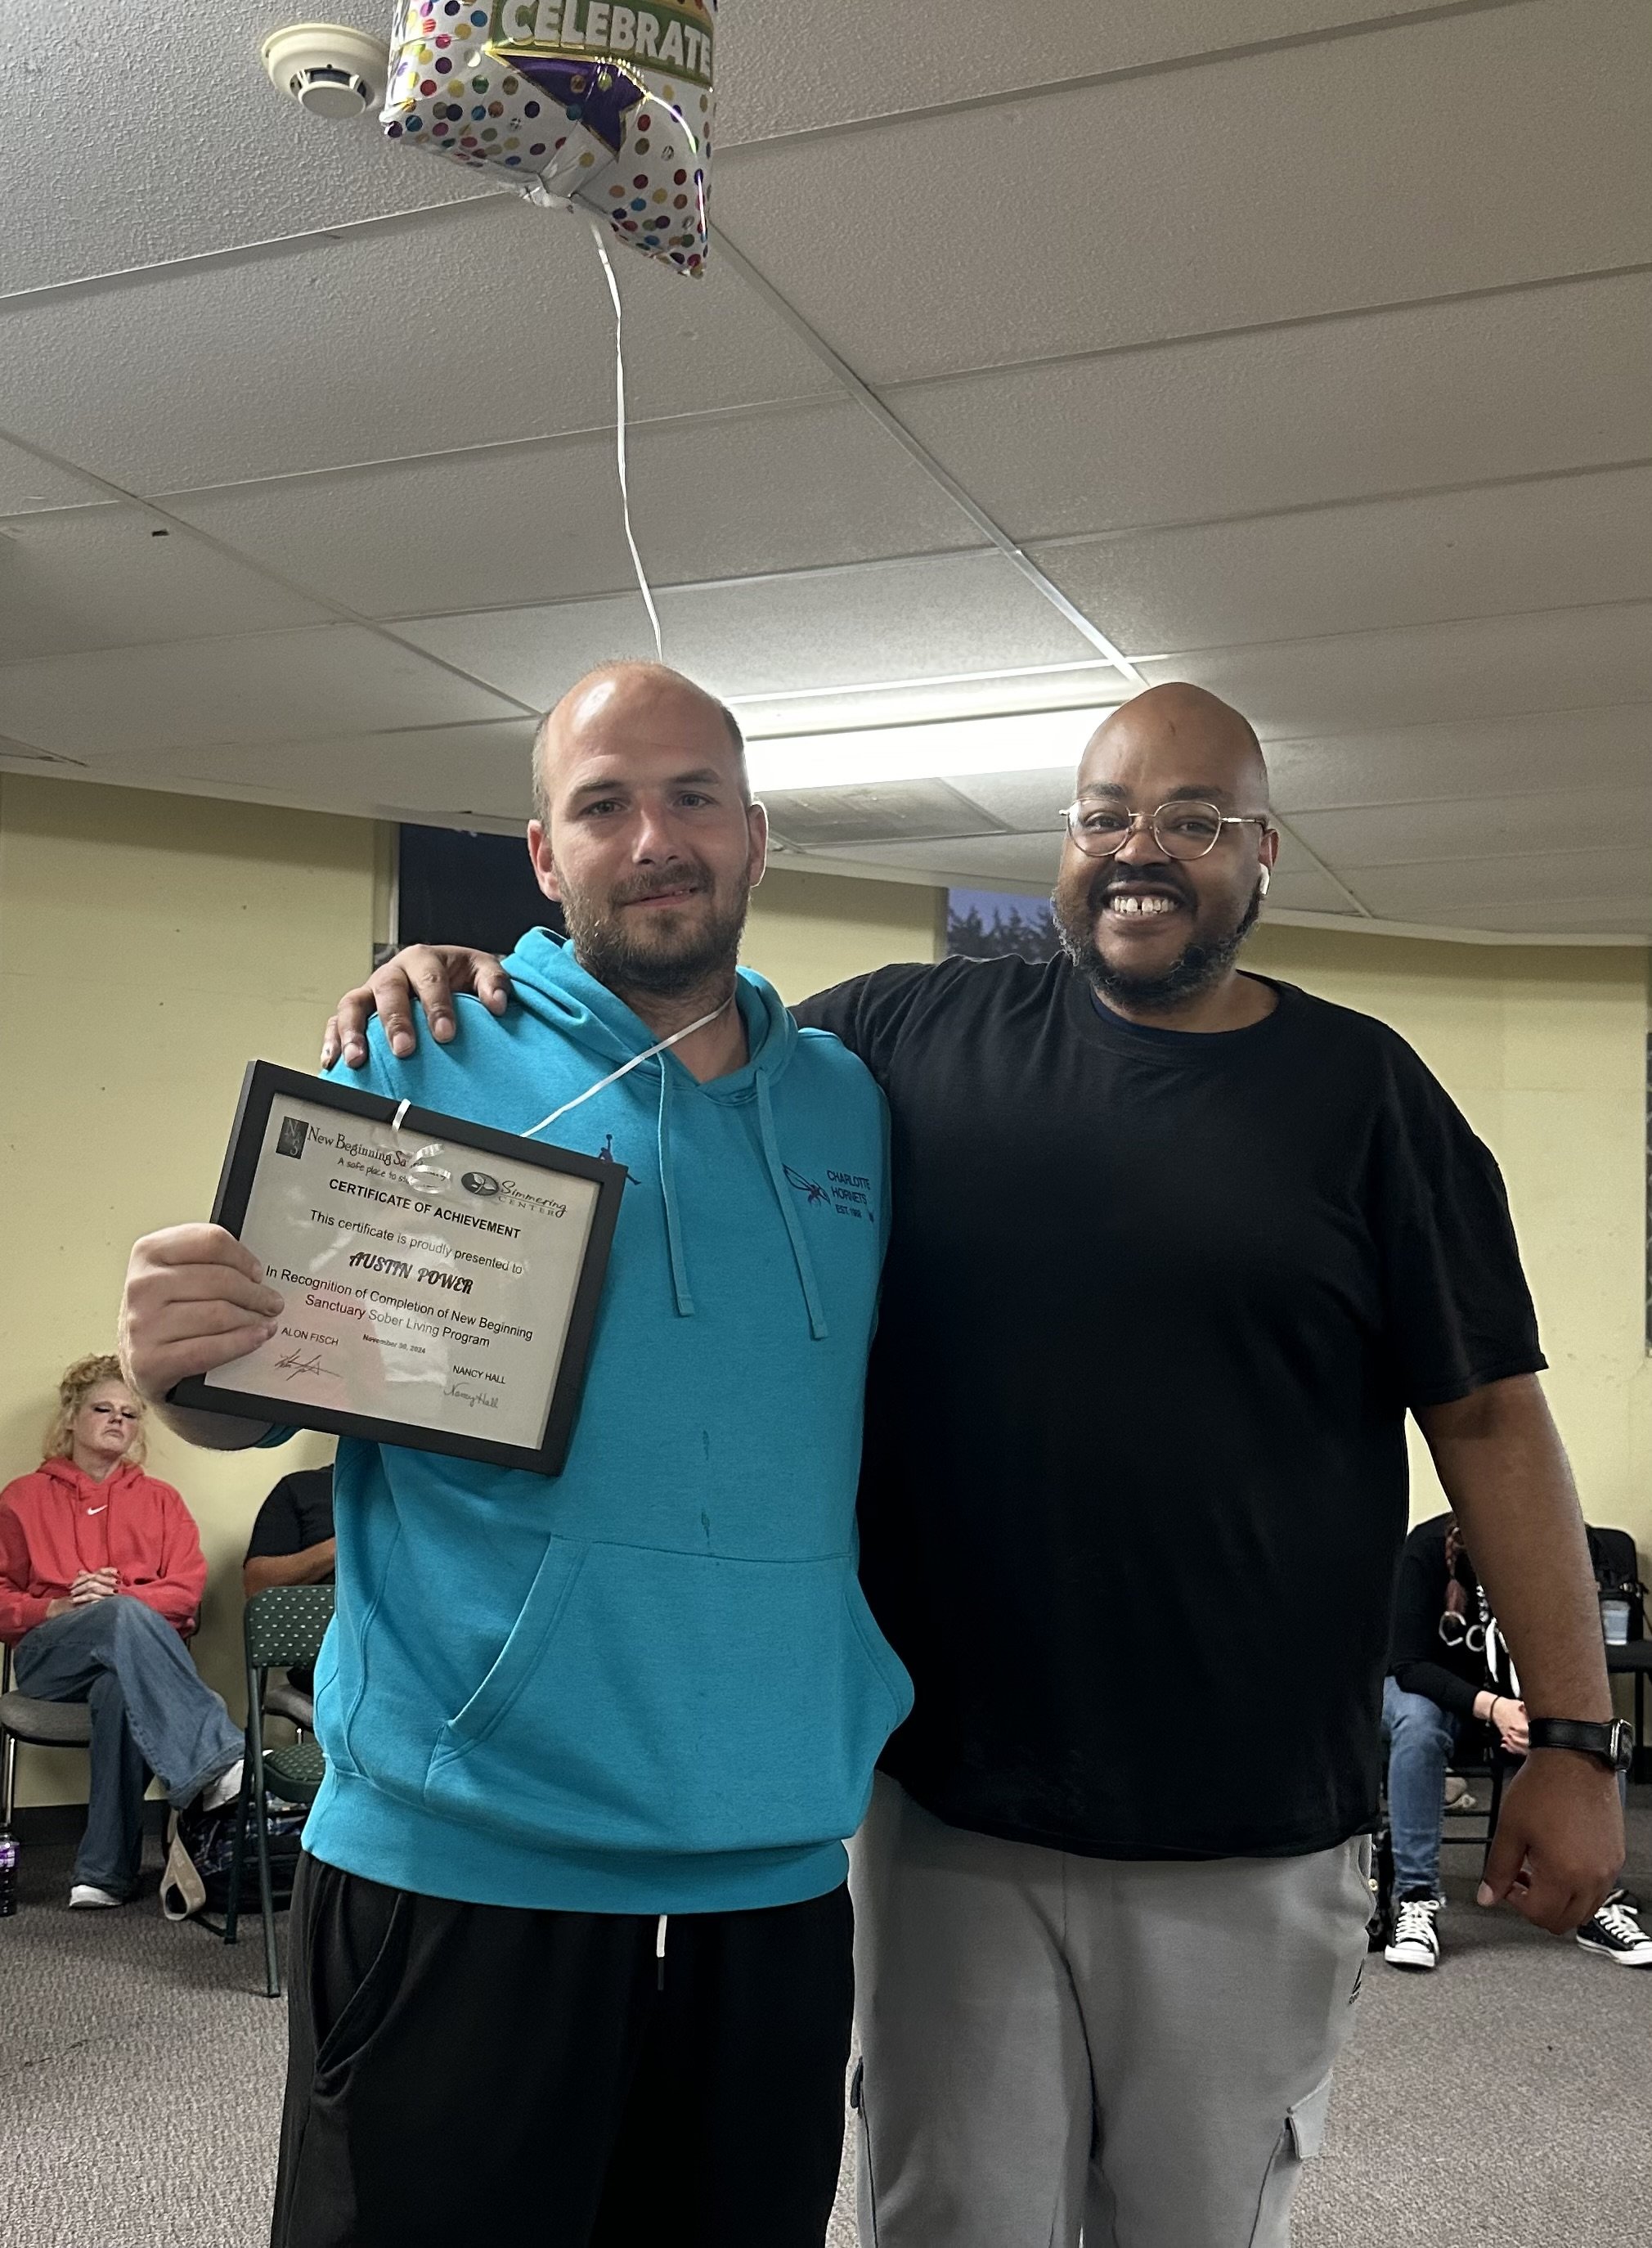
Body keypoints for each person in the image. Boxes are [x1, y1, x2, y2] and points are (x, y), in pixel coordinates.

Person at [333, 681, 1627, 2248]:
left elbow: (1491, 1418)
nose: (1141, 851)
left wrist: (1574, 1736)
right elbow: (680, 1033)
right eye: (1105, 815)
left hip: (1247, 1821)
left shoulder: (1367, 1096)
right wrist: (473, 977)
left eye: (1195, 819)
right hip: (947, 1817)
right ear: (1063, 842)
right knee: (944, 2219)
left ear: (1264, 852)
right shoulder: (901, 1041)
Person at [119, 663, 909, 2248]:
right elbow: (248, 1397)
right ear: (543, 855)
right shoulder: (416, 1055)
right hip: (463, 1865)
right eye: (603, 805)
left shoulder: (851, 1108)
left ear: (756, 837)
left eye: (693, 797)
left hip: (769, 1887)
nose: (654, 838)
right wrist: (181, 1365)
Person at [0, 1355, 244, 1909]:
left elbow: (185, 1595)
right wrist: (58, 1607)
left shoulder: (162, 1501)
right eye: (102, 1409)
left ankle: (103, 1873)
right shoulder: (21, 1498)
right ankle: (218, 1759)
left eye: (130, 1414)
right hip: (51, 1661)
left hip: (135, 1665)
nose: (118, 1420)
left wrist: (120, 1601)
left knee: (118, 1683)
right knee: (119, 1617)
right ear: (71, 1418)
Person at [1384, 1512, 1651, 1971]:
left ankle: (1597, 1901)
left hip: (1519, 1700)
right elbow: (1408, 1665)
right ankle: (1415, 1895)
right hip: (1435, 1694)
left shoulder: (1562, 1551)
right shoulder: (1426, 1548)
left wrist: (1547, 1727)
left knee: (1598, 1735)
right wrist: (1495, 1708)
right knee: (1418, 1728)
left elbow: (1574, 1664)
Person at [243, 1459, 335, 1715]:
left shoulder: (421, 1493)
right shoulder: (301, 1488)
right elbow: (258, 1586)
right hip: (329, 1666)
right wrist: (343, 1544)